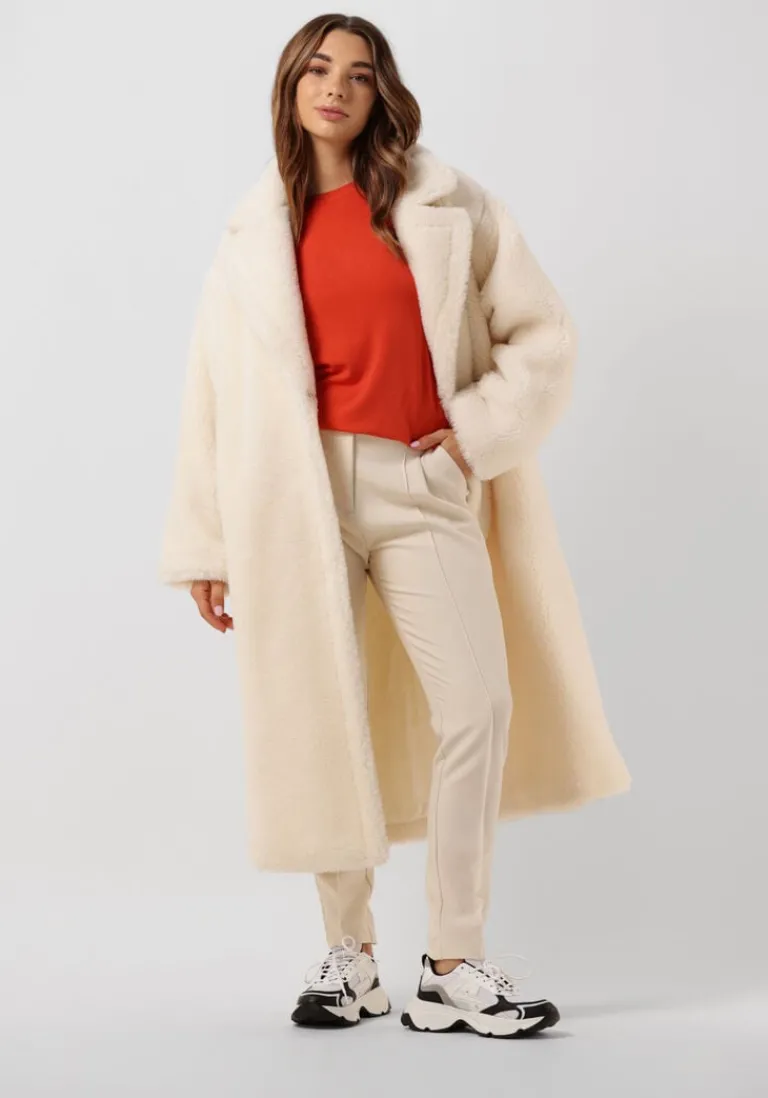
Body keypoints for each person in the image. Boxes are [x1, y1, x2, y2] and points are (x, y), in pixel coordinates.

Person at [158, 13, 631, 1038]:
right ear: (291, 86)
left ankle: (452, 962)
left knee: (479, 705)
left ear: (382, 94)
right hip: (295, 499)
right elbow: (210, 395)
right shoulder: (251, 236)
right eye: (318, 68)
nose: (336, 87)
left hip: (423, 481)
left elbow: (544, 335)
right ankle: (352, 957)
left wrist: (473, 438)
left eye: (360, 74)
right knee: (320, 716)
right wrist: (207, 542)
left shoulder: (445, 202)